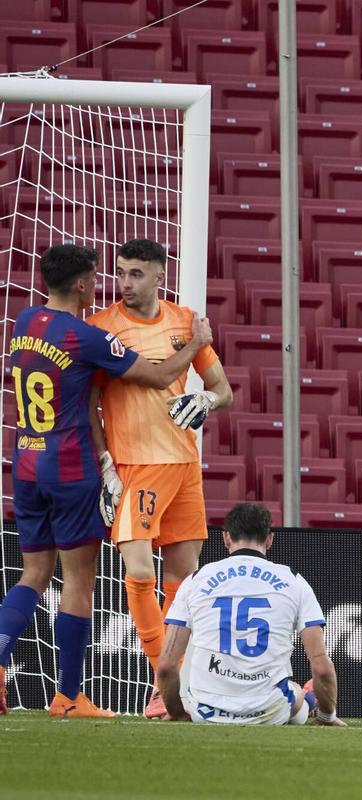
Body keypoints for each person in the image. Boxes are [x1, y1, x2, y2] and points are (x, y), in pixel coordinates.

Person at [0, 243, 212, 717]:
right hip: (70, 466)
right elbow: (158, 378)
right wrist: (196, 345)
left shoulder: (23, 323)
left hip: (25, 461)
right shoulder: (85, 335)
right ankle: (69, 697)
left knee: (33, 574)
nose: (106, 286)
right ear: (81, 284)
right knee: (78, 582)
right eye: (100, 277)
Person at [87, 238, 234, 718]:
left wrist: (207, 401)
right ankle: (163, 684)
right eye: (121, 272)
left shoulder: (184, 320)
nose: (124, 283)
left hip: (184, 466)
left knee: (183, 583)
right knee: (139, 572)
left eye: (135, 274)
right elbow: (90, 404)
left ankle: (183, 685)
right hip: (135, 464)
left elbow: (223, 390)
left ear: (158, 276)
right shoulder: (103, 326)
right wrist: (105, 462)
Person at [157, 503, 344, 727]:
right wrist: (328, 717)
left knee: (287, 693)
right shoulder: (293, 581)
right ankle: (310, 701)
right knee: (294, 693)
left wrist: (177, 713)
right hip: (269, 711)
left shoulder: (196, 580)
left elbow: (167, 665)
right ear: (270, 539)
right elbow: (322, 668)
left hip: (206, 712)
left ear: (226, 538)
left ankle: (304, 698)